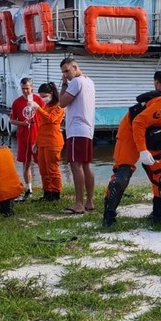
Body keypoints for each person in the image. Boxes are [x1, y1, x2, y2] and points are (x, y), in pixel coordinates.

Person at [100, 87, 161, 227]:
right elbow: (138, 122)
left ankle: (158, 213)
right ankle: (109, 215)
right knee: (122, 175)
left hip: (154, 137)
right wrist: (142, 150)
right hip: (131, 129)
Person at [59, 57, 96, 213]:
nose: (66, 75)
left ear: (75, 67)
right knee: (86, 165)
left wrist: (64, 85)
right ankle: (89, 202)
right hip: (88, 128)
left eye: (67, 71)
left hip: (76, 129)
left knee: (76, 165)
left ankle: (79, 203)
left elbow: (62, 102)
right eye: (63, 72)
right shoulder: (90, 81)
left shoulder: (76, 82)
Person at [9, 78, 44, 198]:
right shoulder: (17, 102)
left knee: (41, 162)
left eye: (27, 89)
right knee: (26, 163)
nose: (25, 91)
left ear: (32, 88)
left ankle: (46, 187)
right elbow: (12, 120)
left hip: (37, 136)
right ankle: (29, 188)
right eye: (23, 89)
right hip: (23, 137)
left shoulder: (38, 99)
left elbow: (45, 114)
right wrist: (23, 124)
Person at [36, 82, 65, 201]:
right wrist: (36, 142)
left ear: (51, 94)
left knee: (52, 169)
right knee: (43, 169)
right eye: (41, 96)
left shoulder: (59, 106)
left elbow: (50, 119)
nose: (43, 99)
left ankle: (56, 193)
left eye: (44, 96)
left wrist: (38, 108)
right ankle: (47, 192)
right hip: (43, 140)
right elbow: (42, 125)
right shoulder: (46, 106)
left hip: (53, 141)